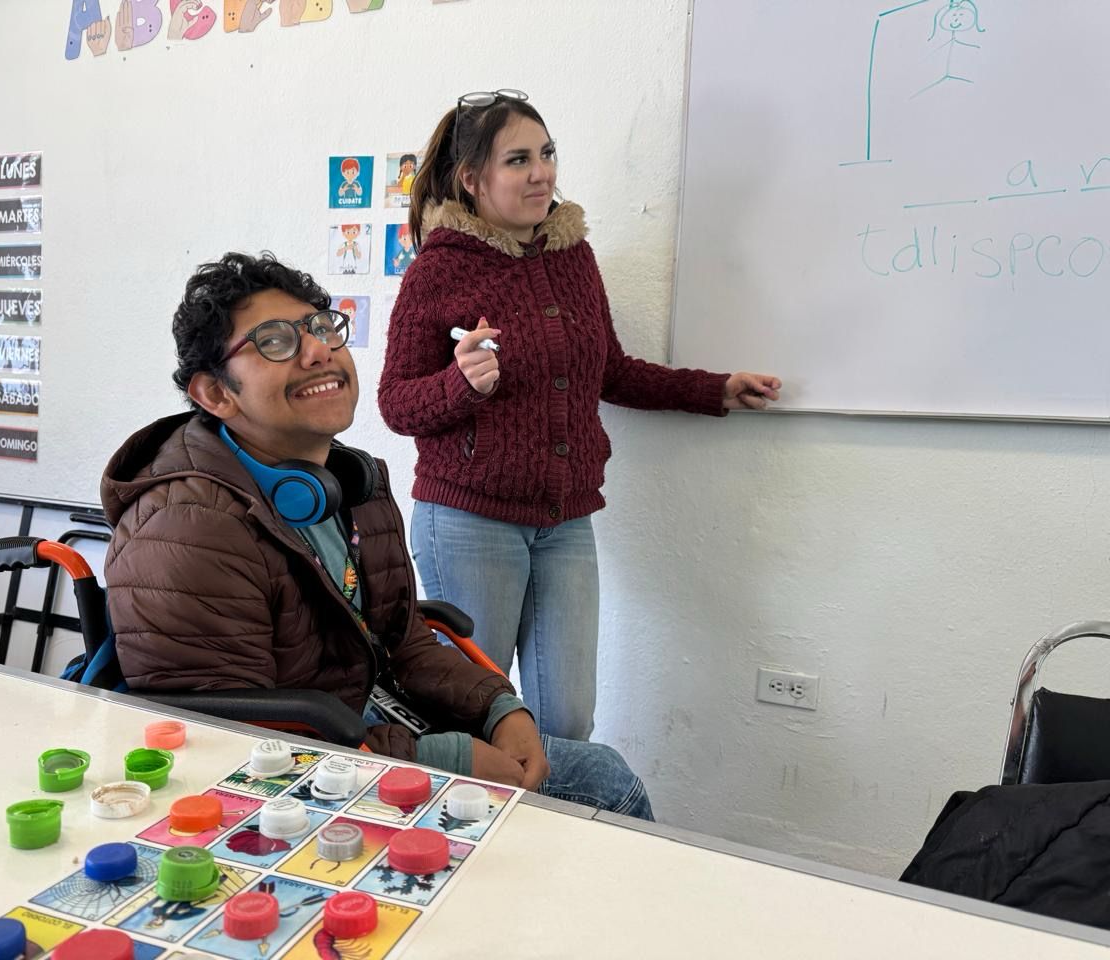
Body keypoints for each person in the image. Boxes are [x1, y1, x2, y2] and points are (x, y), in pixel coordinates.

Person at [100, 251, 653, 819]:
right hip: (302, 786)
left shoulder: (352, 482)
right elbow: (232, 746)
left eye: (321, 328)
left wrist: (498, 709)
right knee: (607, 788)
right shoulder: (187, 528)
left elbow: (404, 640)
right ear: (217, 394)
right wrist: (441, 758)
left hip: (373, 730)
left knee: (597, 769)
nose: (319, 350)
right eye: (275, 341)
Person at [377, 90, 781, 742]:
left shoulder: (573, 258)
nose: (541, 172)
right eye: (518, 160)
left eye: (547, 154)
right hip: (469, 523)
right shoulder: (438, 270)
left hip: (564, 522)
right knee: (474, 718)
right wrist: (460, 384)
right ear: (472, 179)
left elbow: (610, 371)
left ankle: (550, 811)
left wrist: (715, 391)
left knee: (566, 721)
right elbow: (396, 403)